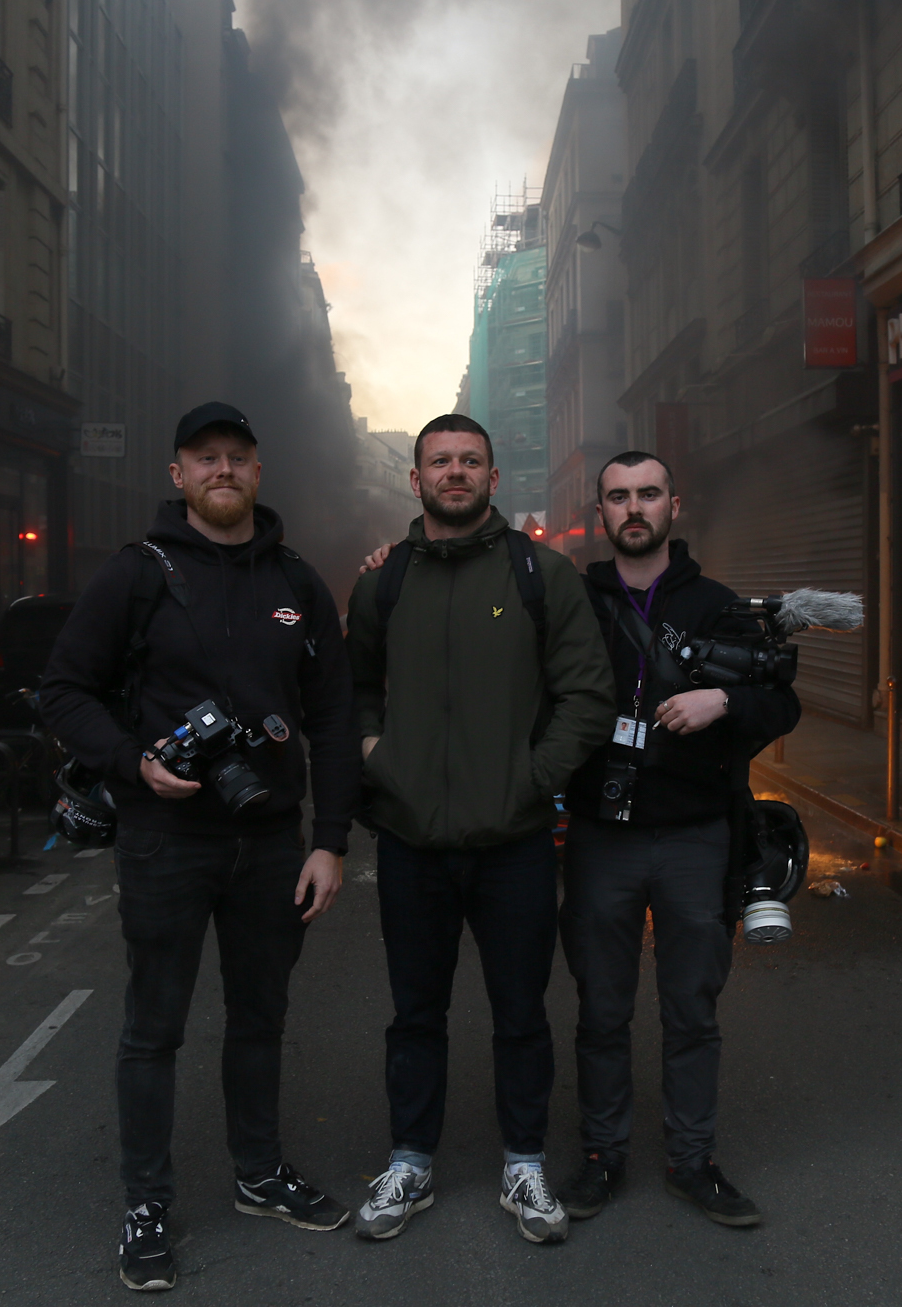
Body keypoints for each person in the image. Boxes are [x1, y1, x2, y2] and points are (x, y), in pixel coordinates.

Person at [40, 402, 358, 1293]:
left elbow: (333, 720)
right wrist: (131, 761)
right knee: (154, 1028)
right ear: (177, 476)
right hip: (165, 839)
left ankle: (259, 1173)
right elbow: (64, 690)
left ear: (259, 472)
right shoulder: (135, 575)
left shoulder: (298, 579)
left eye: (238, 457)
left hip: (268, 843)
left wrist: (328, 841)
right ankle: (146, 1203)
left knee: (261, 1017)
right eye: (204, 457)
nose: (223, 469)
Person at [344, 414, 613, 1245]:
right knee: (414, 1013)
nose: (454, 472)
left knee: (521, 1009)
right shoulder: (381, 584)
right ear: (415, 478)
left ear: (494, 478)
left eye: (470, 461)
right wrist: (377, 758)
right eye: (439, 461)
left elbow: (587, 695)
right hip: (412, 841)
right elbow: (353, 692)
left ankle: (524, 1164)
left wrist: (531, 779)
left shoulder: (544, 574)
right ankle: (410, 1163)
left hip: (516, 843)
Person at [553, 451, 800, 1228]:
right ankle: (601, 1155)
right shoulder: (571, 603)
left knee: (693, 1009)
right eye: (620, 496)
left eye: (649, 493)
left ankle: (694, 1161)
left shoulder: (719, 605)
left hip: (697, 837)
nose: (635, 507)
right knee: (601, 1007)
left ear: (674, 505)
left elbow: (781, 702)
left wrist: (722, 700)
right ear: (601, 512)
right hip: (600, 834)